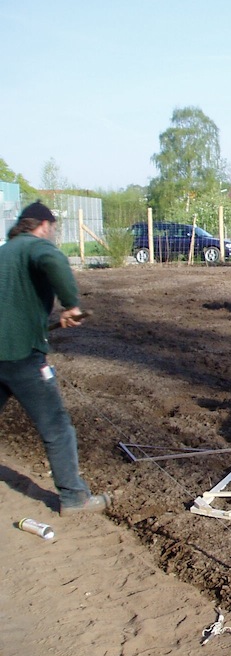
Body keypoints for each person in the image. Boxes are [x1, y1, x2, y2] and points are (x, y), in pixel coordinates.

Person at [0, 201, 111, 515]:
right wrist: (71, 306)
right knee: (57, 427)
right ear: (44, 225)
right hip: (22, 355)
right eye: (52, 228)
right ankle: (75, 497)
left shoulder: (3, 252)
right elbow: (53, 259)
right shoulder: (35, 247)